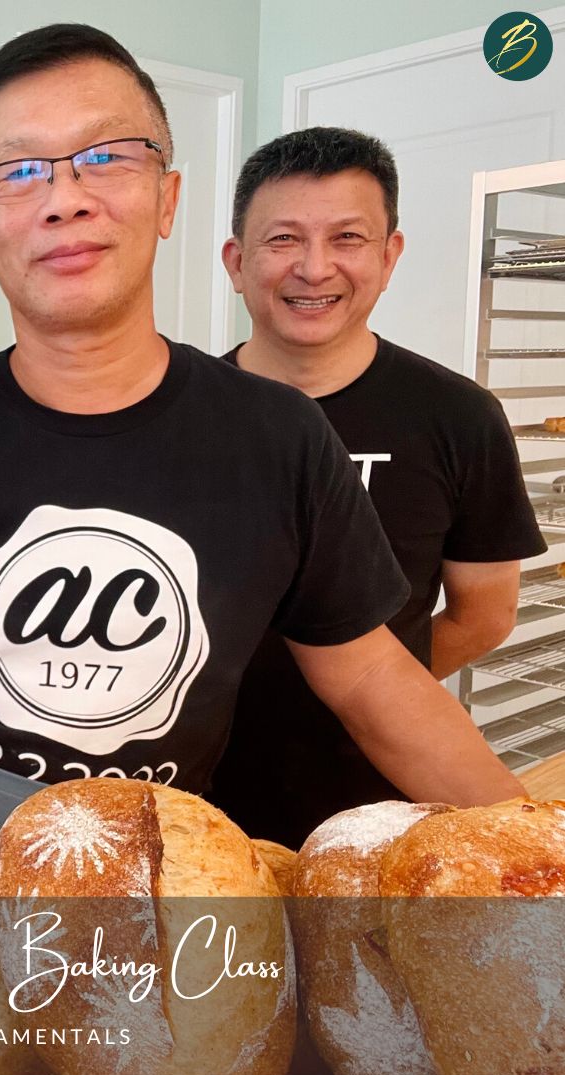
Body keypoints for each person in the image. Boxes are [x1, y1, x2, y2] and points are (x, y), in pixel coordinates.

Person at [0, 24, 525, 868]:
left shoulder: (280, 438)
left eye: (105, 156)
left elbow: (371, 678)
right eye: (19, 171)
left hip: (147, 876)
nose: (64, 198)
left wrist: (531, 842)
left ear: (169, 200)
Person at [207, 127, 545, 848]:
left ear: (389, 257)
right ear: (236, 262)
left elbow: (485, 615)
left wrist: (369, 696)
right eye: (283, 239)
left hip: (376, 804)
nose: (314, 268)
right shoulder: (182, 415)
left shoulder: (458, 417)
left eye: (348, 238)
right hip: (195, 794)